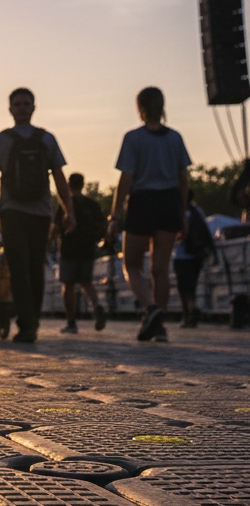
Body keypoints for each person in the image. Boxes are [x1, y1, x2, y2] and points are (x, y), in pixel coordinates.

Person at [0, 87, 75, 343]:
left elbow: (61, 181)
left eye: (25, 103)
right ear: (10, 108)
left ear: (33, 107)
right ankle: (30, 322)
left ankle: (29, 323)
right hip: (18, 212)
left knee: (28, 268)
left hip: (28, 212)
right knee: (24, 268)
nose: (21, 108)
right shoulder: (38, 139)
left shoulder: (17, 139)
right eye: (17, 104)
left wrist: (68, 211)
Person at [107, 87, 191, 343]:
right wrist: (183, 213)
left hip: (142, 202)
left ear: (139, 108)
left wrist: (115, 215)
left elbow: (126, 179)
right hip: (168, 202)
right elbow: (183, 179)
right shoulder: (175, 138)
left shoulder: (133, 138)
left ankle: (150, 308)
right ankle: (160, 326)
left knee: (131, 263)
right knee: (160, 270)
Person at [53, 173, 107, 334]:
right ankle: (96, 306)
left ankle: (71, 322)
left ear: (69, 185)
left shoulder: (64, 205)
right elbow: (103, 225)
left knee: (68, 285)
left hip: (69, 249)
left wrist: (50, 242)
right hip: (87, 249)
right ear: (83, 185)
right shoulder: (92, 204)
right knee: (86, 282)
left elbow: (55, 228)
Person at [173, 189, 216, 328]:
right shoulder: (198, 211)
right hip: (197, 255)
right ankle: (193, 308)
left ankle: (188, 313)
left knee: (182, 287)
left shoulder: (178, 211)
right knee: (192, 285)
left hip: (181, 255)